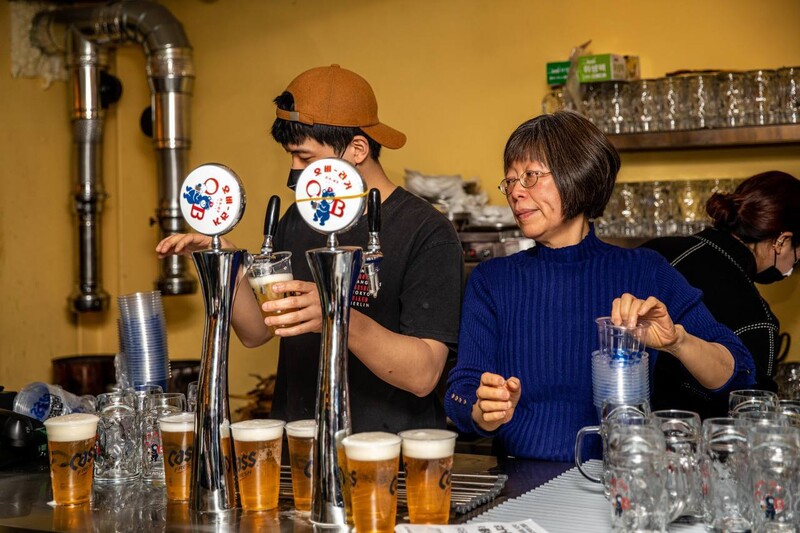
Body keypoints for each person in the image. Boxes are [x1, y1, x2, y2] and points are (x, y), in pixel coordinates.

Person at [157, 65, 464, 433]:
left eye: (306, 158)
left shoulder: (426, 231)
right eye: (291, 156)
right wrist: (229, 265)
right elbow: (258, 332)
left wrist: (337, 316)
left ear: (357, 149)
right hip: (298, 446)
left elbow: (424, 374)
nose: (295, 170)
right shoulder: (297, 219)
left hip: (384, 458)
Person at [444, 111, 756, 462]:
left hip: (620, 478)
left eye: (530, 176)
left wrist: (678, 341)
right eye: (510, 180)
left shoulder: (644, 271)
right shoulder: (492, 280)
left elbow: (739, 373)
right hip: (520, 482)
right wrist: (483, 409)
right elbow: (461, 393)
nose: (515, 192)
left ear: (579, 176)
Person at [643, 171, 800, 419]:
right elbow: (751, 421)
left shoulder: (654, 251)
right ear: (782, 240)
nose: (795, 266)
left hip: (623, 433)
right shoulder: (757, 320)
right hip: (688, 447)